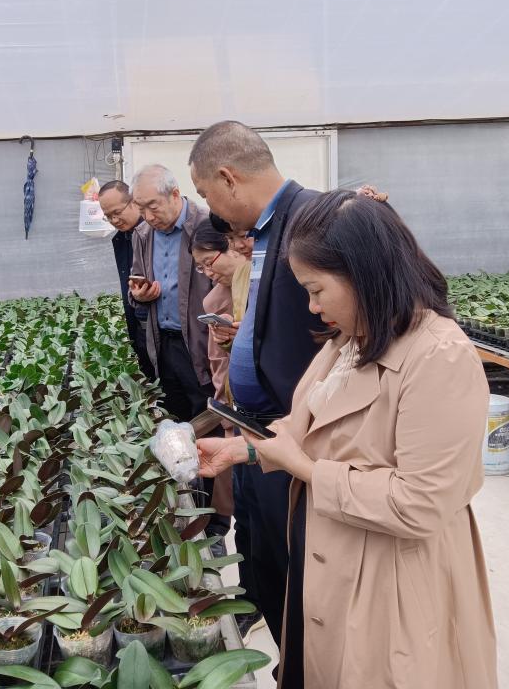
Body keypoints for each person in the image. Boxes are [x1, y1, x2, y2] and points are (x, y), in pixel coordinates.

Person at [197, 189, 498, 689]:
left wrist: (306, 469)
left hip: (392, 580)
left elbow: (420, 502)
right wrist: (244, 449)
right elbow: (311, 428)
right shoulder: (349, 340)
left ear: (364, 274)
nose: (312, 307)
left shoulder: (439, 356)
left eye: (316, 290)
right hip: (327, 558)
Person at [188, 121, 323, 646]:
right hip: (257, 431)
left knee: (295, 568)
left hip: (294, 433)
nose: (212, 209)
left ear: (228, 177)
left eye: (206, 193)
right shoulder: (265, 234)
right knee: (263, 554)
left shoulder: (309, 223)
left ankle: (300, 658)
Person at [189, 222, 256, 607]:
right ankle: (251, 593)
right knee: (246, 508)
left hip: (264, 412)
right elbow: (219, 363)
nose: (207, 272)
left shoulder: (258, 286)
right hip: (236, 408)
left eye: (208, 262)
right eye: (199, 267)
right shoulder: (216, 299)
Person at [127, 164, 214, 421]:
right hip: (162, 342)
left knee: (207, 413)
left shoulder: (206, 224)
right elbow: (135, 279)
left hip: (201, 342)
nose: (147, 216)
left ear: (174, 194)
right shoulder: (142, 234)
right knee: (174, 411)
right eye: (140, 208)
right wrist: (139, 296)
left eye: (153, 206)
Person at [98, 180, 156, 379]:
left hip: (160, 326)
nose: (114, 220)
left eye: (117, 212)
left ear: (134, 202)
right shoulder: (122, 239)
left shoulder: (154, 233)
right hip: (139, 321)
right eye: (108, 216)